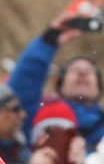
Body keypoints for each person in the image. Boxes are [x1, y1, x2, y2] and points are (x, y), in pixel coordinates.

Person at [8, 11, 104, 146]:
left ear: (99, 88)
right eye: (74, 70)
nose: (82, 73)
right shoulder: (36, 120)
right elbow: (21, 91)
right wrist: (48, 41)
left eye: (90, 70)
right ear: (59, 85)